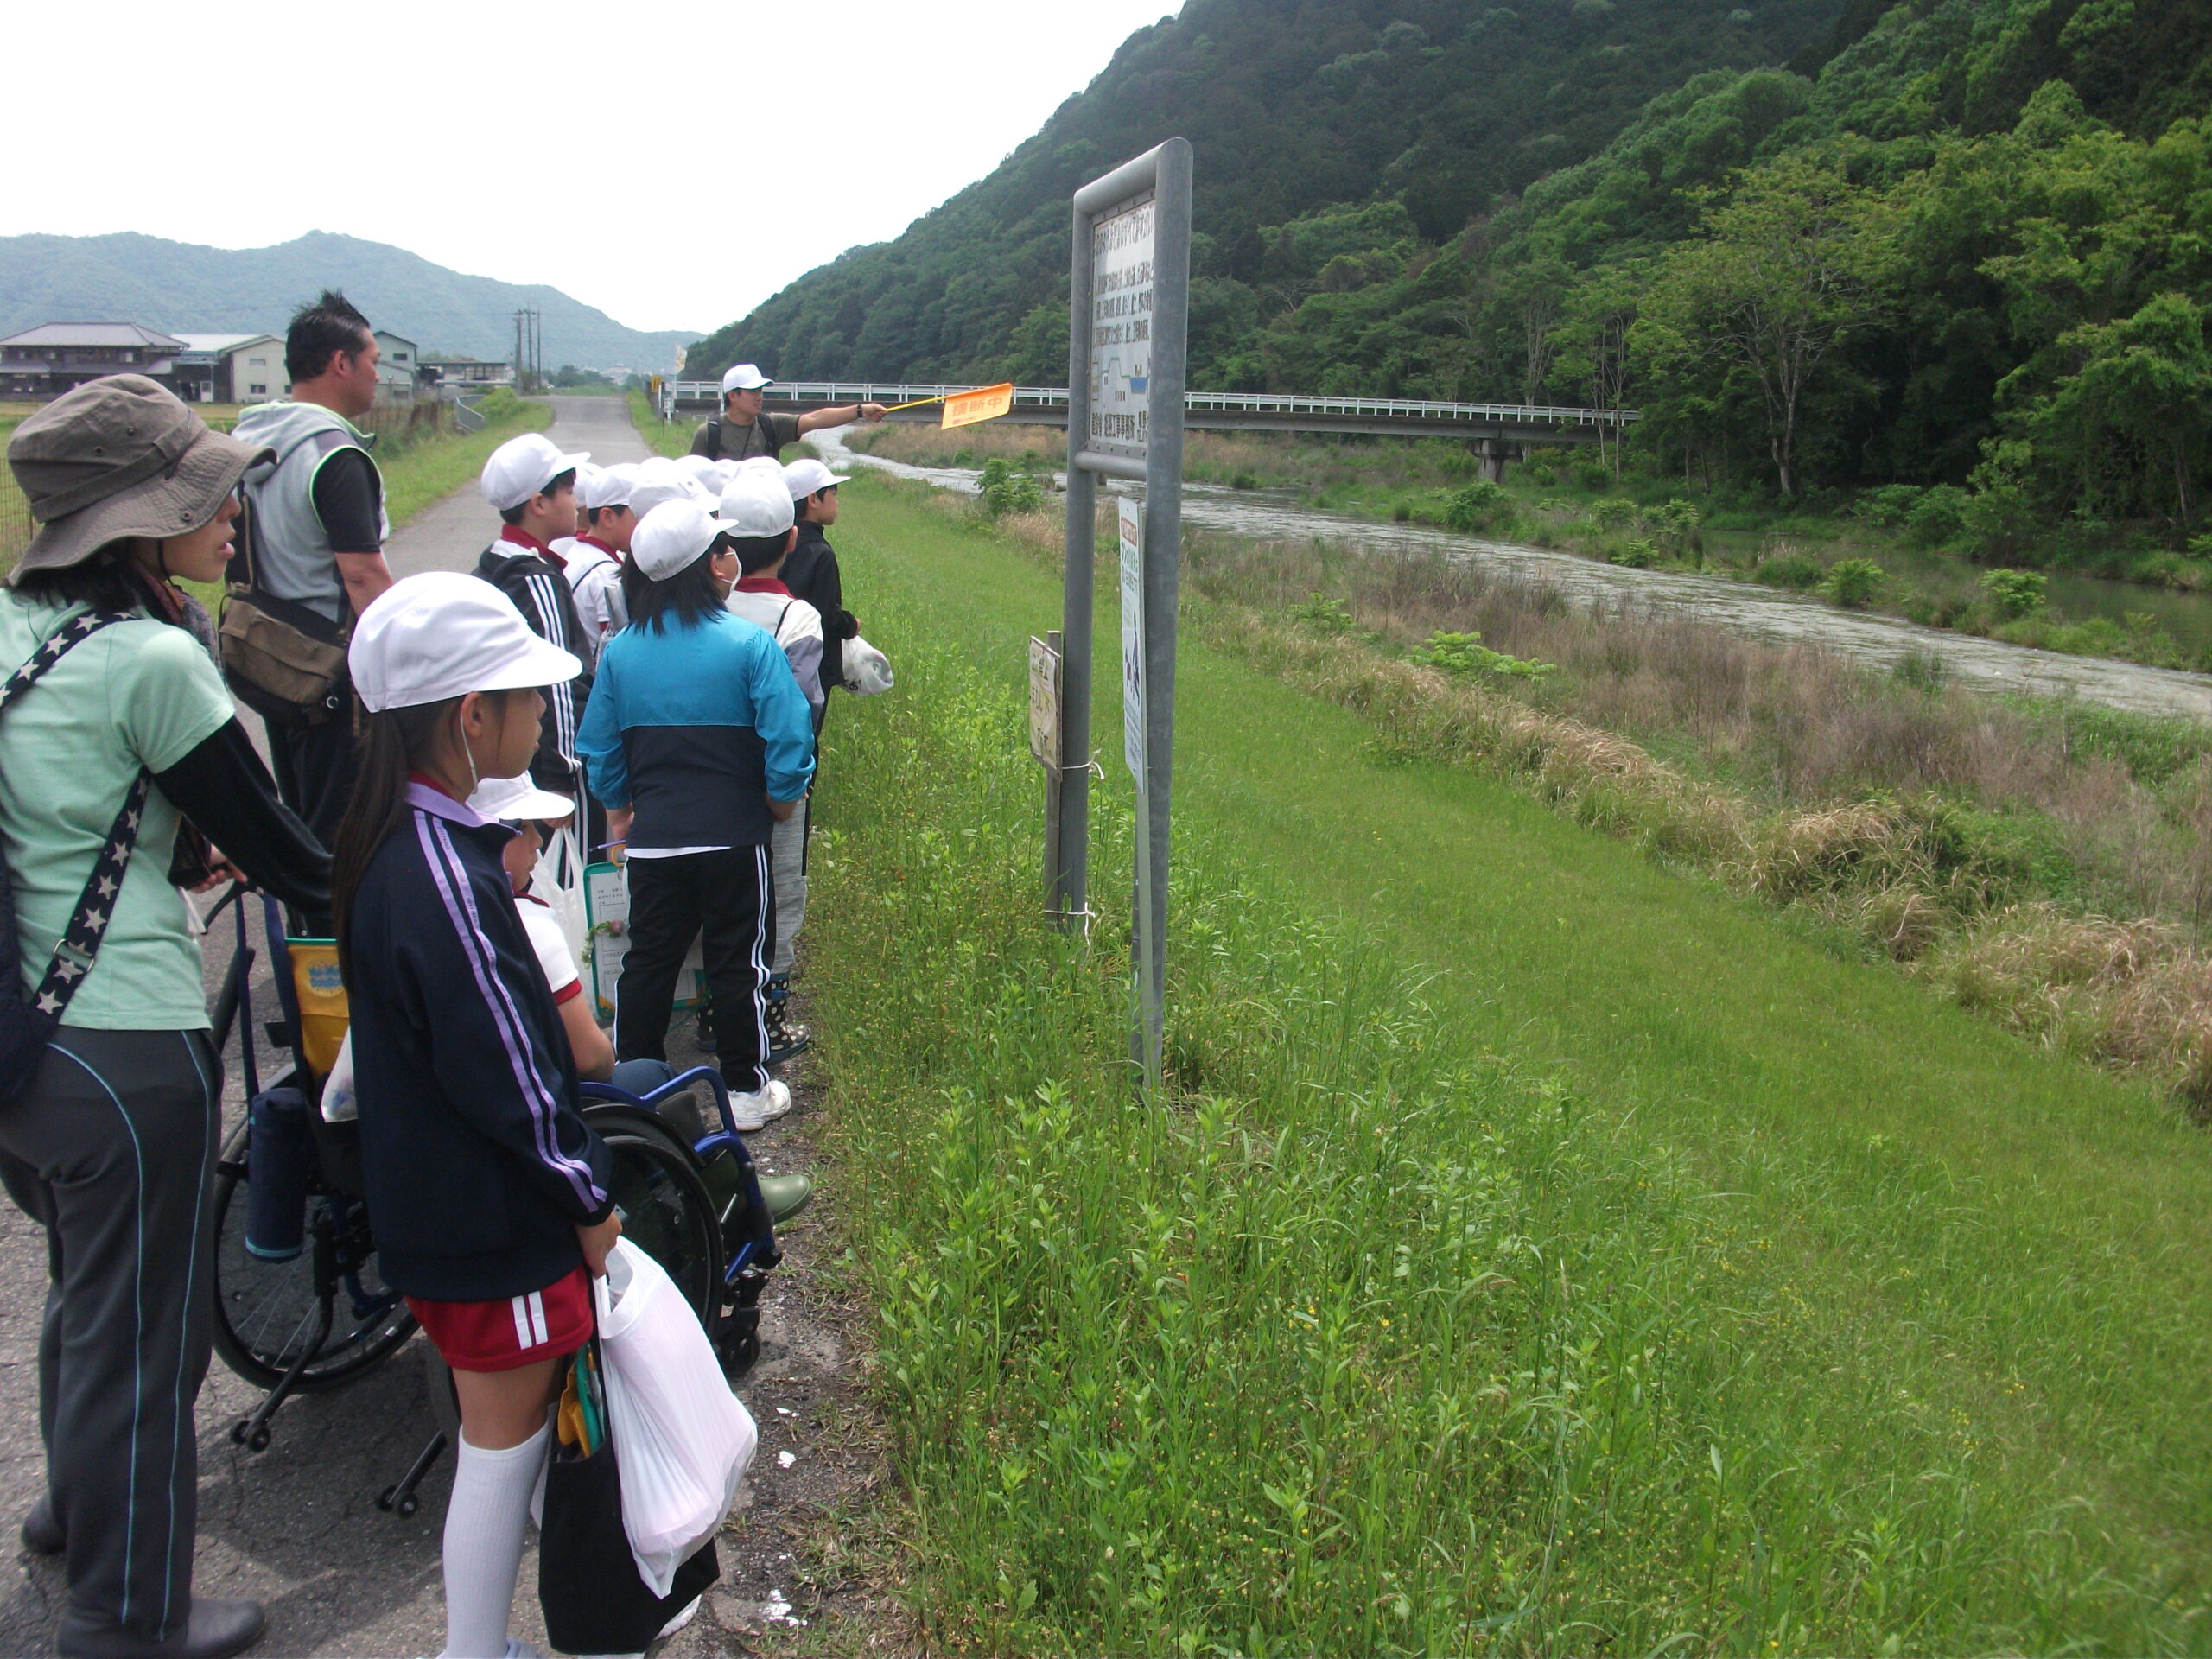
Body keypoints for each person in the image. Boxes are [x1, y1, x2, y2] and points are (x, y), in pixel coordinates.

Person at [1, 376, 330, 1659]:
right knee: (144, 1337)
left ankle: (73, 1515)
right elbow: (290, 855)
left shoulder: (17, 628)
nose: (231, 511)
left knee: (86, 1296)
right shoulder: (150, 657)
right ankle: (125, 1614)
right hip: (122, 1044)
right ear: (136, 523)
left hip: (25, 1046)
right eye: (205, 494)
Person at [332, 571, 623, 1659]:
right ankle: (474, 1647)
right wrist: (588, 1198)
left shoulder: (389, 841)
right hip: (493, 1223)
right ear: (470, 717)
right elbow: (512, 1074)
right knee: (503, 1451)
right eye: (528, 697)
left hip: (436, 1211)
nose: (542, 714)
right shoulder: (451, 879)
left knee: (496, 1438)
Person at [577, 499, 814, 1131]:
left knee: (648, 962)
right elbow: (789, 736)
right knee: (738, 963)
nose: (730, 557)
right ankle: (745, 1090)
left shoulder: (621, 652)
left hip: (654, 842)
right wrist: (781, 797)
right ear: (711, 566)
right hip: (734, 840)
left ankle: (636, 1088)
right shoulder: (748, 644)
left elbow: (600, 745)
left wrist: (620, 810)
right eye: (722, 549)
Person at [229, 292, 393, 897]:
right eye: (373, 360)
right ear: (340, 363)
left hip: (271, 657)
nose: (379, 374)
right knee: (345, 833)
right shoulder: (334, 453)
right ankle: (338, 948)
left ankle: (308, 938)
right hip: (331, 674)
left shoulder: (253, 440)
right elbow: (363, 576)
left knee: (300, 820)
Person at [721, 472, 823, 1060]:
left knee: (721, 899)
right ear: (790, 539)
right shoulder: (797, 617)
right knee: (780, 896)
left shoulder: (706, 607)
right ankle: (769, 1019)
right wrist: (787, 788)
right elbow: (803, 708)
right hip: (775, 785)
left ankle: (714, 1010)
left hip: (715, 779)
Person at [474, 432, 592, 804]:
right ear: (539, 503)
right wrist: (563, 774)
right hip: (551, 773)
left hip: (519, 761)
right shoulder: (535, 579)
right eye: (568, 492)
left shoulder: (495, 562)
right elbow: (558, 682)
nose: (576, 502)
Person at [782, 457, 862, 727]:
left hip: (782, 654)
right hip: (814, 665)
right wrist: (850, 624)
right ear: (813, 499)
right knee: (807, 734)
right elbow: (826, 614)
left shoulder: (782, 543)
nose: (837, 502)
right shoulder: (820, 553)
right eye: (833, 494)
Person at [690, 363, 886, 462]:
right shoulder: (709, 433)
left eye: (760, 390)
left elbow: (815, 419)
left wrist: (860, 411)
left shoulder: (771, 426)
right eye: (753, 391)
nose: (759, 396)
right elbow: (694, 480)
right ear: (732, 396)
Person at [563, 464, 638, 666]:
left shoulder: (580, 552)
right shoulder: (605, 573)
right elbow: (615, 649)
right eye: (638, 514)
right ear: (608, 517)